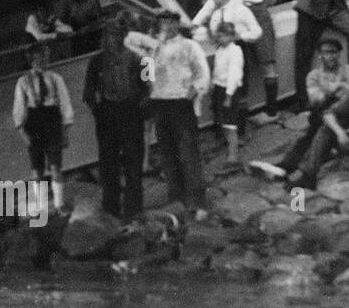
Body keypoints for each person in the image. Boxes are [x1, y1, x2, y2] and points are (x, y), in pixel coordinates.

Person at [125, 11, 212, 220]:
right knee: (167, 154)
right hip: (159, 103)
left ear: (176, 24)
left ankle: (197, 202)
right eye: (162, 22)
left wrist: (195, 90)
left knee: (188, 153)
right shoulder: (152, 50)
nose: (166, 26)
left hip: (181, 102)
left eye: (170, 22)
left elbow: (203, 73)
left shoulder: (190, 46)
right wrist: (153, 43)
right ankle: (177, 200)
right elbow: (129, 41)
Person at [250, 36, 349, 181]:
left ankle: (287, 168)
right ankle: (289, 168)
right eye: (326, 52)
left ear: (339, 53)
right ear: (320, 55)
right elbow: (316, 100)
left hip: (344, 114)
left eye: (334, 52)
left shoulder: (347, 70)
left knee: (314, 133)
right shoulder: (313, 76)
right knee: (316, 128)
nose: (331, 56)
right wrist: (335, 89)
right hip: (324, 115)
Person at [83, 11, 148, 220]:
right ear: (105, 37)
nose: (116, 39)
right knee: (108, 163)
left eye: (120, 34)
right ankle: (111, 208)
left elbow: (150, 84)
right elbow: (88, 93)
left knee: (133, 161)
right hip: (108, 115)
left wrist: (141, 105)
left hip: (131, 112)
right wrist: (99, 112)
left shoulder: (138, 59)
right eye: (111, 35)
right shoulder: (95, 62)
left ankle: (134, 208)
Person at [12, 43, 72, 211]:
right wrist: (23, 132)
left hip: (52, 122)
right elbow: (19, 109)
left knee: (55, 168)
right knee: (37, 171)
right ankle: (41, 207)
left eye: (46, 57)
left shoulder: (55, 78)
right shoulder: (23, 81)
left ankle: (60, 204)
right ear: (31, 60)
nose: (43, 61)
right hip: (34, 124)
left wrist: (65, 131)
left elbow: (65, 104)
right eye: (39, 58)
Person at [227, 0, 280, 117]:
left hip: (245, 14)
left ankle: (242, 119)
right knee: (268, 65)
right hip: (263, 10)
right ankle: (272, 111)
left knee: (242, 68)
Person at [209, 22, 245, 164]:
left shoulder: (235, 51)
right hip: (219, 87)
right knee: (222, 120)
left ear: (231, 36)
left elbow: (234, 74)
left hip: (229, 89)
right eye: (219, 36)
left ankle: (233, 154)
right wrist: (213, 84)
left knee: (230, 123)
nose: (220, 38)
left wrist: (229, 95)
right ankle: (228, 146)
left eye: (223, 36)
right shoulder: (220, 50)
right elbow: (217, 69)